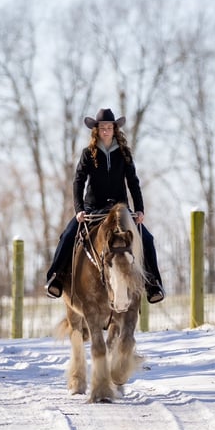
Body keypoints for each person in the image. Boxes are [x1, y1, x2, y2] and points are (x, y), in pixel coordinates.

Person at [45, 108, 165, 304]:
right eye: (103, 128)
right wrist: (79, 210)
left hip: (120, 211)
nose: (106, 131)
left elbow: (133, 183)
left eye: (110, 127)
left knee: (148, 239)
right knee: (67, 235)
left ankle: (153, 283)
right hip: (92, 210)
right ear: (97, 130)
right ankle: (56, 277)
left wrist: (140, 209)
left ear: (115, 129)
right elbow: (78, 181)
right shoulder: (88, 154)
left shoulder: (124, 154)